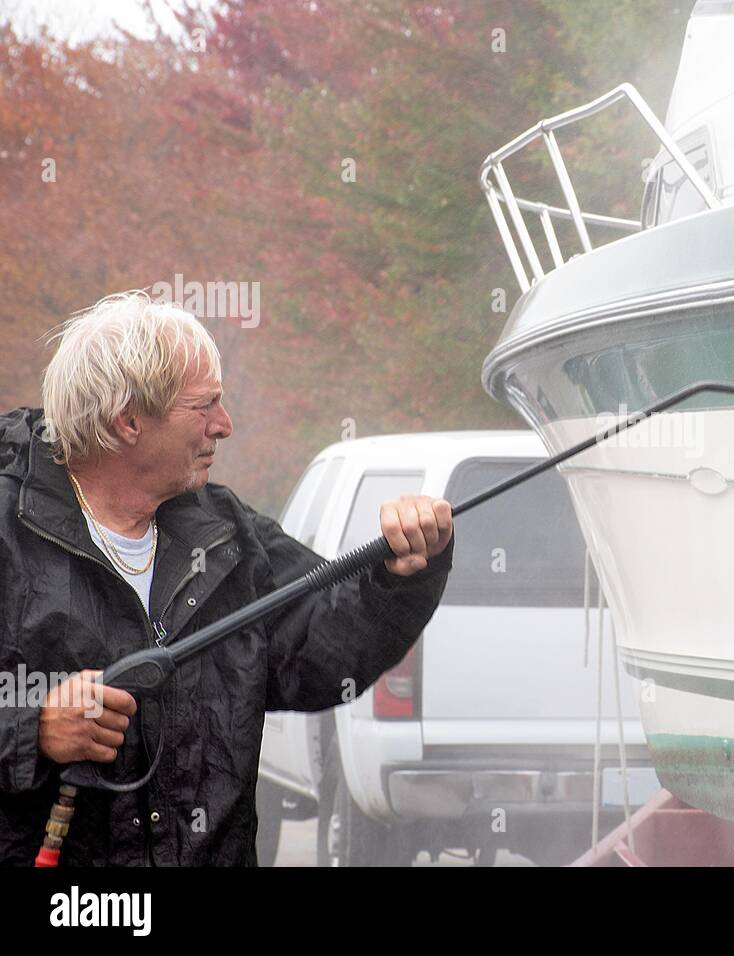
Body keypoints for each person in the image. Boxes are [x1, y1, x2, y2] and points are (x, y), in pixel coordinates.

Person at [0, 291, 453, 865]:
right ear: (128, 420)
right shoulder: (8, 525)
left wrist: (402, 574)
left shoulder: (227, 532)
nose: (225, 425)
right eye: (205, 406)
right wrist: (33, 728)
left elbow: (322, 654)